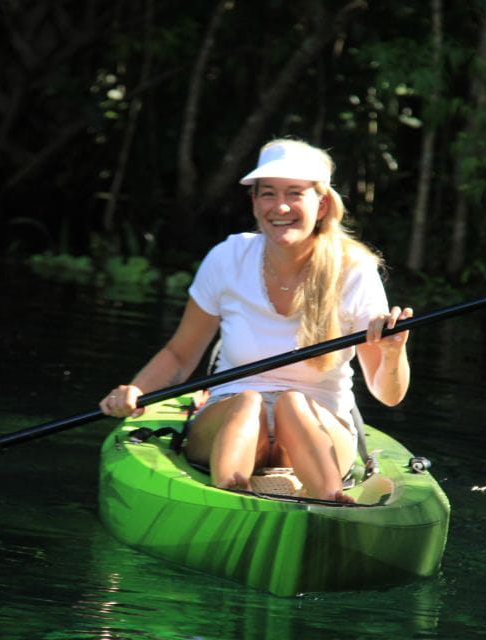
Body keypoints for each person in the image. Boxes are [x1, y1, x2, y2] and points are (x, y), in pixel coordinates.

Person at [99, 138, 412, 503]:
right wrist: (137, 392)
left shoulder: (355, 270)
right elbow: (180, 355)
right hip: (230, 412)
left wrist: (392, 352)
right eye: (268, 194)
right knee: (248, 401)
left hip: (320, 419)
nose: (280, 206)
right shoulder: (227, 257)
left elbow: (388, 395)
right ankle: (230, 494)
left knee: (292, 402)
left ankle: (331, 503)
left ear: (322, 203)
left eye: (295, 193)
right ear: (254, 201)